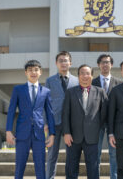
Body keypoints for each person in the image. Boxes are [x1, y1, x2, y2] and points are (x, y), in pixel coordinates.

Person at [6, 60, 56, 179]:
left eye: (36, 70)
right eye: (30, 70)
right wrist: (8, 131)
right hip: (22, 133)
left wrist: (52, 134)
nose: (33, 72)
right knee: (19, 167)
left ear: (40, 72)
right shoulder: (18, 89)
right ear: (25, 73)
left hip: (39, 134)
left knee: (40, 168)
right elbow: (11, 111)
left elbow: (50, 113)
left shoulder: (46, 91)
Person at [62, 64, 108, 179]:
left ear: (92, 76)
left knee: (93, 168)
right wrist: (66, 133)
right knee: (71, 167)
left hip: (92, 137)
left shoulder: (100, 92)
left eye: (87, 73)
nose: (85, 76)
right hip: (73, 137)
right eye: (82, 73)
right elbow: (65, 114)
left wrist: (97, 128)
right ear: (78, 76)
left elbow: (104, 114)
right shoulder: (70, 92)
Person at [46, 51, 79, 179]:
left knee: (72, 156)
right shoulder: (49, 81)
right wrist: (46, 123)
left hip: (72, 125)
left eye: (66, 60)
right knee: (52, 155)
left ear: (70, 63)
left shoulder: (77, 81)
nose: (63, 63)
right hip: (54, 123)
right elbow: (46, 103)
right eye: (61, 60)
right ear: (56, 63)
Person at [92, 54, 122, 179]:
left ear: (111, 65)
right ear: (99, 65)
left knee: (114, 153)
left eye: (107, 62)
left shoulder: (119, 83)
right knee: (96, 153)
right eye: (102, 62)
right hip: (96, 122)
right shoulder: (93, 82)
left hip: (114, 123)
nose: (105, 64)